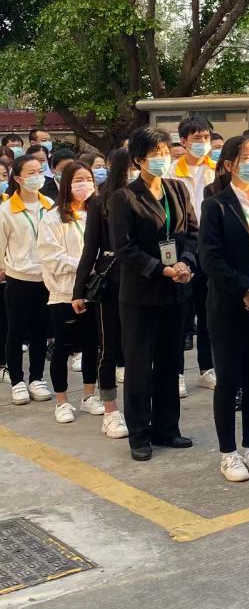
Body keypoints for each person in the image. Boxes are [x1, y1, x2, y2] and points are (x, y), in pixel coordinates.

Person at [111, 127, 197, 460]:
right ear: (138, 160)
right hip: (141, 295)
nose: (162, 159)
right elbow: (124, 248)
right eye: (155, 154)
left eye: (165, 152)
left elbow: (192, 232)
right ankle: (139, 434)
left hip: (176, 292)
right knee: (138, 364)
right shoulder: (124, 198)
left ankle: (167, 428)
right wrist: (161, 269)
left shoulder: (178, 189)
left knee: (170, 361)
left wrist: (186, 262)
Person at [199, 135, 249, 483]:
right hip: (230, 304)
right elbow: (210, 257)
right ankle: (228, 453)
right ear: (229, 165)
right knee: (229, 380)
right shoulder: (216, 205)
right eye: (247, 157)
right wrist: (244, 290)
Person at [39, 162, 111, 423]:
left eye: (89, 179)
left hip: (94, 290)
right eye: (79, 180)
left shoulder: (98, 213)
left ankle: (89, 395)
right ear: (66, 184)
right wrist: (85, 265)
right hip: (64, 292)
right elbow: (51, 257)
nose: (85, 185)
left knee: (92, 345)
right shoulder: (53, 218)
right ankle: (62, 400)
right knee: (63, 346)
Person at [72, 148, 128, 438]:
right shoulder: (100, 202)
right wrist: (78, 290)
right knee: (108, 348)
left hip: (144, 284)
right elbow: (90, 249)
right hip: (111, 284)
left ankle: (139, 409)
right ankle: (110, 410)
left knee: (138, 350)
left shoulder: (152, 196)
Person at [167, 114, 218, 392]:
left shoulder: (217, 170)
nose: (202, 142)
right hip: (182, 246)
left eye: (206, 137)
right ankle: (176, 372)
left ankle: (207, 367)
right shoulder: (170, 172)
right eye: (197, 138)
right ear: (184, 141)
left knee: (208, 310)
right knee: (180, 313)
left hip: (210, 246)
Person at [0, 153, 56, 404]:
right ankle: (17, 381)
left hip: (46, 278)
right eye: (31, 173)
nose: (37, 176)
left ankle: (36, 378)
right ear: (19, 178)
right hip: (19, 278)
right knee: (16, 331)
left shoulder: (50, 205)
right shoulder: (6, 210)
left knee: (40, 331)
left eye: (40, 171)